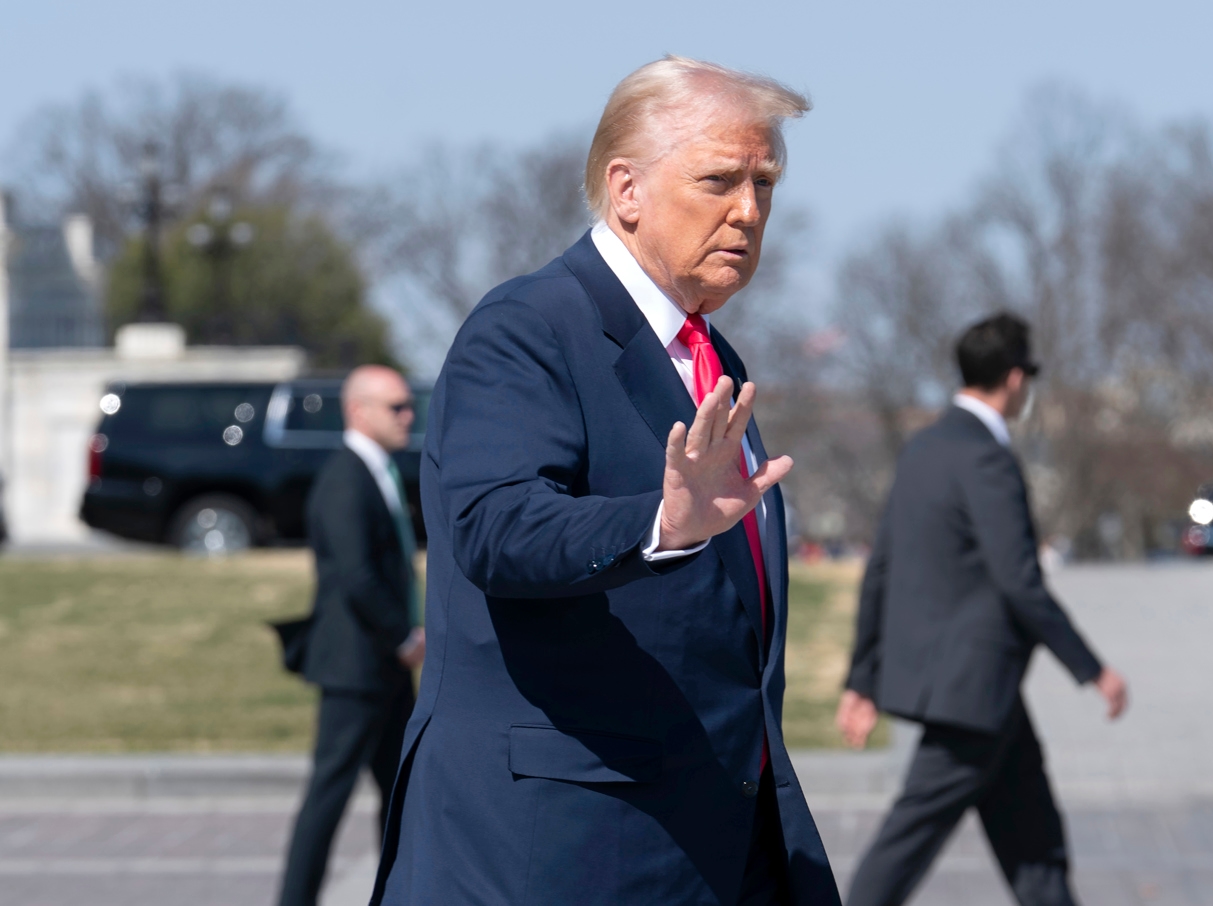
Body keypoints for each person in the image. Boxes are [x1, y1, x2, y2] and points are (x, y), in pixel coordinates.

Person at [369, 57, 839, 906]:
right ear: (626, 190)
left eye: (764, 183)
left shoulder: (709, 356)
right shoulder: (527, 328)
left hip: (707, 842)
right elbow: (495, 527)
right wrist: (660, 523)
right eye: (719, 180)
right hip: (559, 851)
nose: (749, 210)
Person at [836, 313, 1128, 906]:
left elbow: (881, 569)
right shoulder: (986, 457)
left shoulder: (924, 447)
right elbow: (1020, 580)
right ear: (1016, 379)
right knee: (906, 843)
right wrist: (1092, 669)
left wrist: (862, 678)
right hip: (971, 689)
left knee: (1034, 846)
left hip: (979, 692)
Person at [278, 365, 426, 906]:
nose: (409, 415)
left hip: (383, 668)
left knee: (400, 796)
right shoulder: (344, 478)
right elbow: (355, 574)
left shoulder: (379, 472)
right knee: (328, 796)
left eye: (409, 405)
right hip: (355, 667)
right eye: (396, 407)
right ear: (358, 411)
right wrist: (404, 637)